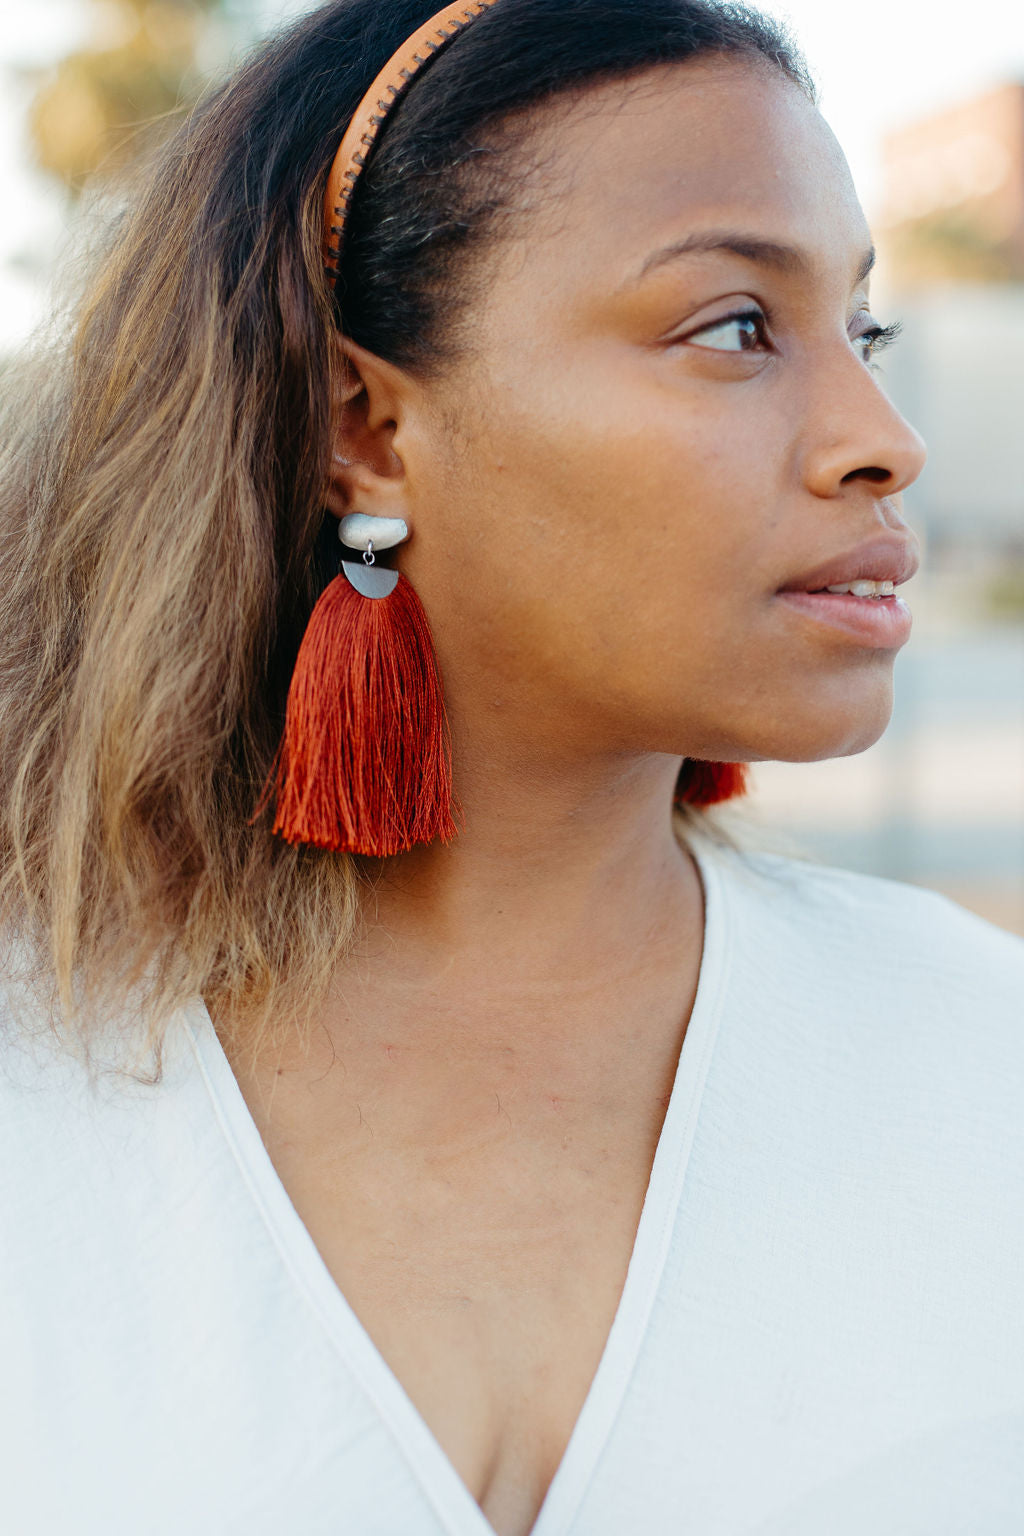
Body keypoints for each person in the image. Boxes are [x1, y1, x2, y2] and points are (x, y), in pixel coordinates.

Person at [1, 1, 1021, 1532]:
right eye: (734, 327)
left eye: (859, 332)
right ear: (366, 428)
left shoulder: (981, 1057)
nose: (883, 438)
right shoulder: (38, 1072)